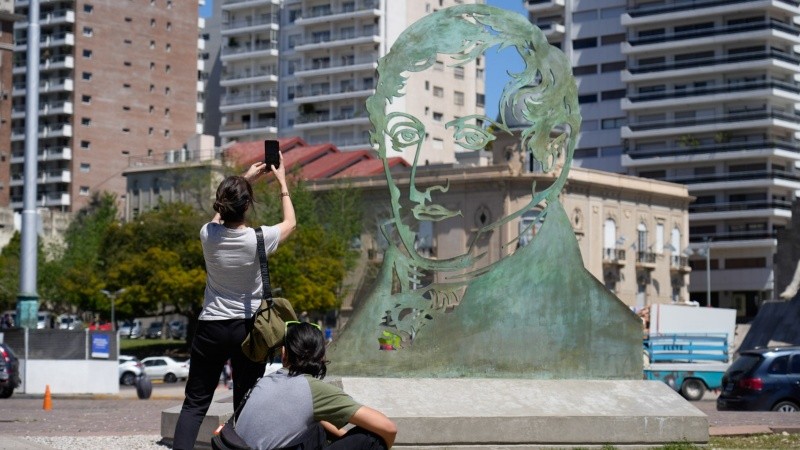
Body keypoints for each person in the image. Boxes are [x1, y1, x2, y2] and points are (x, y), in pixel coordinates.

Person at [173, 152, 296, 450]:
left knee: (194, 404)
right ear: (248, 206)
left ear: (221, 206)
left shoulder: (208, 235)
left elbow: (216, 219)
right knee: (245, 400)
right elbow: (290, 222)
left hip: (211, 327)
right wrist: (281, 182)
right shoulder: (259, 239)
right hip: (248, 328)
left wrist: (245, 179)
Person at [235, 322, 397, 449]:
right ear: (321, 356)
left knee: (317, 429)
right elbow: (388, 428)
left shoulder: (266, 381)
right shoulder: (312, 389)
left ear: (284, 353)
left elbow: (313, 418)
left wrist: (343, 435)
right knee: (372, 440)